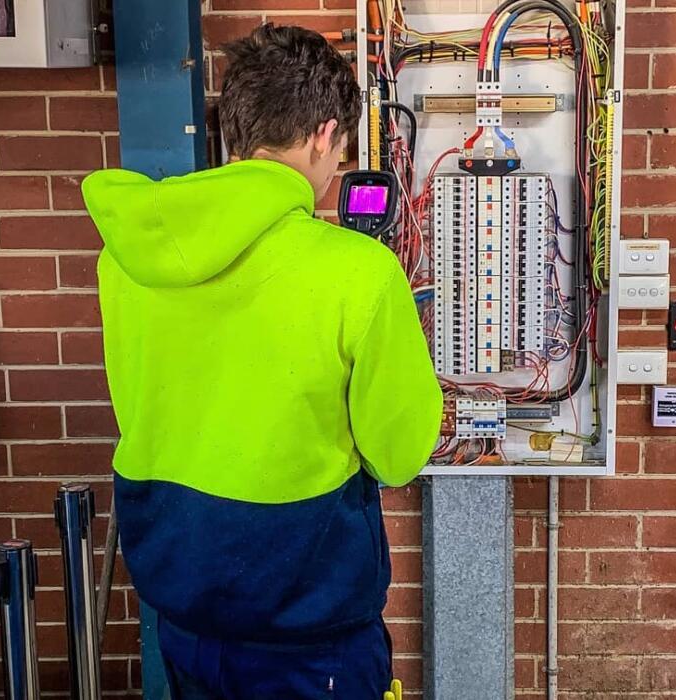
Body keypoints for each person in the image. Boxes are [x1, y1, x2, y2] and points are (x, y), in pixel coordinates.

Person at [82, 23, 442, 699]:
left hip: (184, 617)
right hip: (311, 638)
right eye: (339, 152)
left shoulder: (125, 261)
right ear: (323, 134)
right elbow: (398, 454)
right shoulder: (359, 273)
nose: (337, 170)